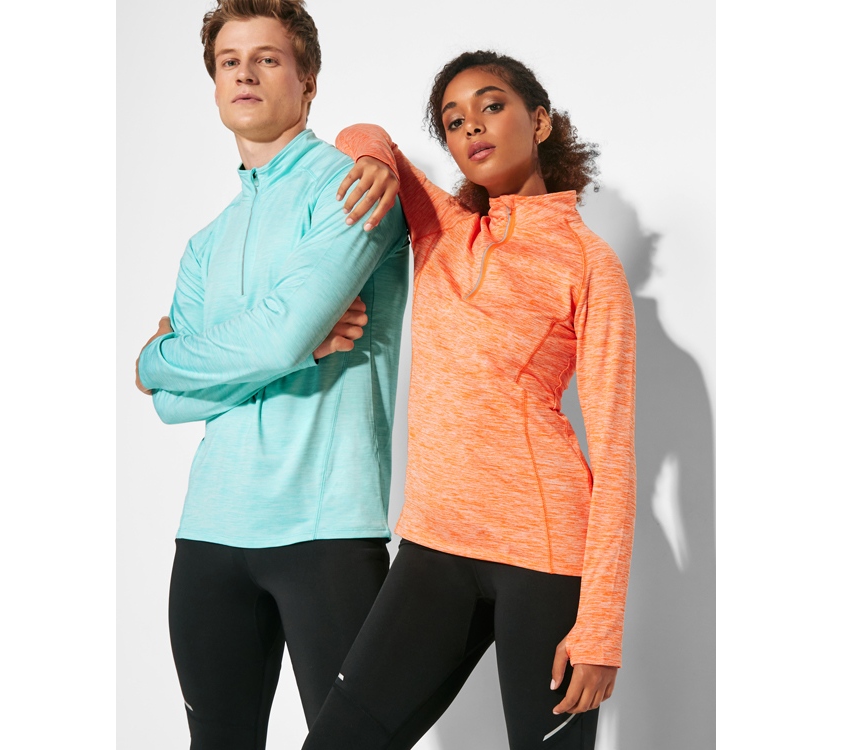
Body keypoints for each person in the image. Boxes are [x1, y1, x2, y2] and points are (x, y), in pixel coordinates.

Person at [301, 50, 637, 749]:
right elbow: (364, 134)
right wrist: (375, 160)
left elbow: (614, 453)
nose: (472, 127)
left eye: (492, 106)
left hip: (545, 554)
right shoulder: (443, 228)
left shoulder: (589, 264)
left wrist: (601, 626)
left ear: (539, 121)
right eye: (454, 121)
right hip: (435, 545)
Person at [133, 1, 409, 748]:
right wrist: (163, 365)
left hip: (326, 533)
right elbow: (169, 404)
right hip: (208, 538)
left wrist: (166, 359)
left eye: (267, 58)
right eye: (230, 61)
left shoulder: (356, 188)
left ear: (307, 80)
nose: (245, 74)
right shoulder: (206, 242)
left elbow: (280, 333)